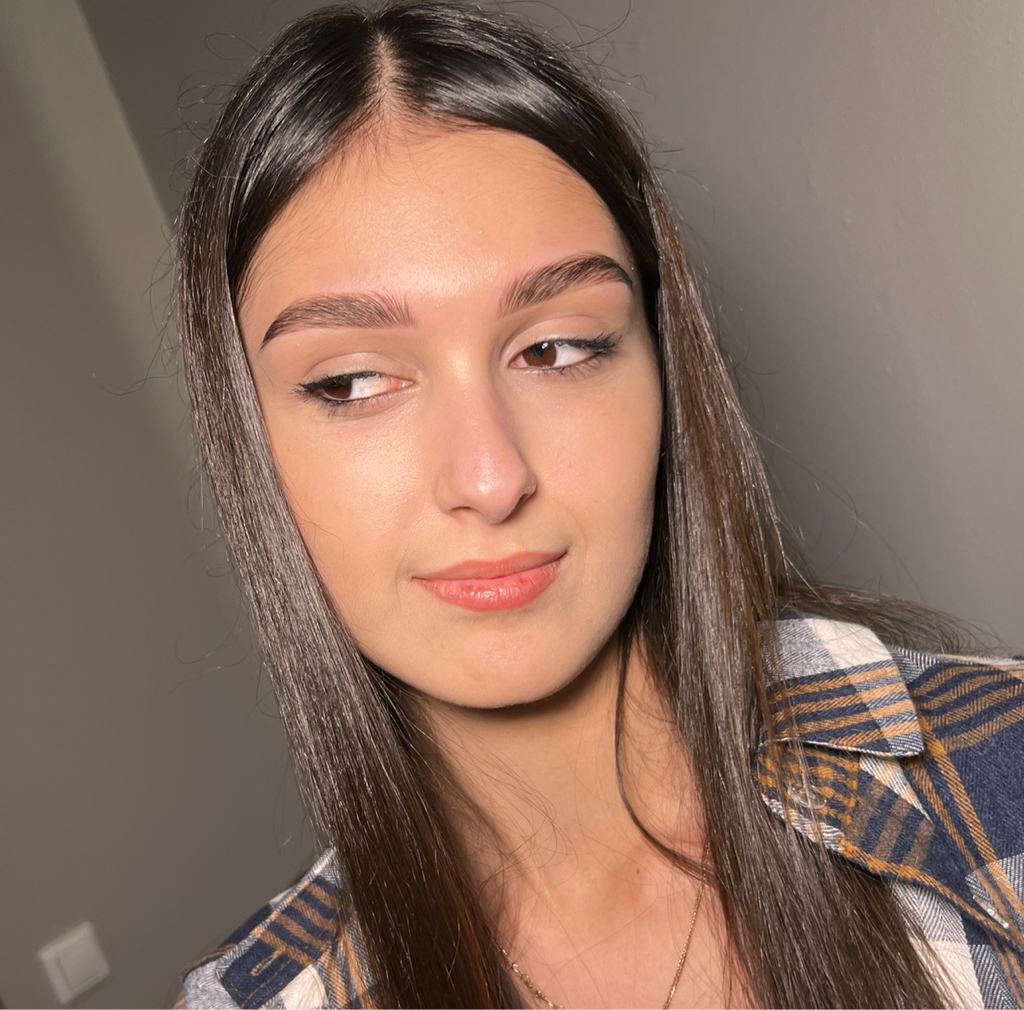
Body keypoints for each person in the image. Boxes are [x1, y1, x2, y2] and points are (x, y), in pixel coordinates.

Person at [175, 3, 1024, 1007]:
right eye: (352, 382)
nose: (490, 479)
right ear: (248, 440)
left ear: (662, 367)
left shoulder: (1001, 774)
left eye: (555, 349)